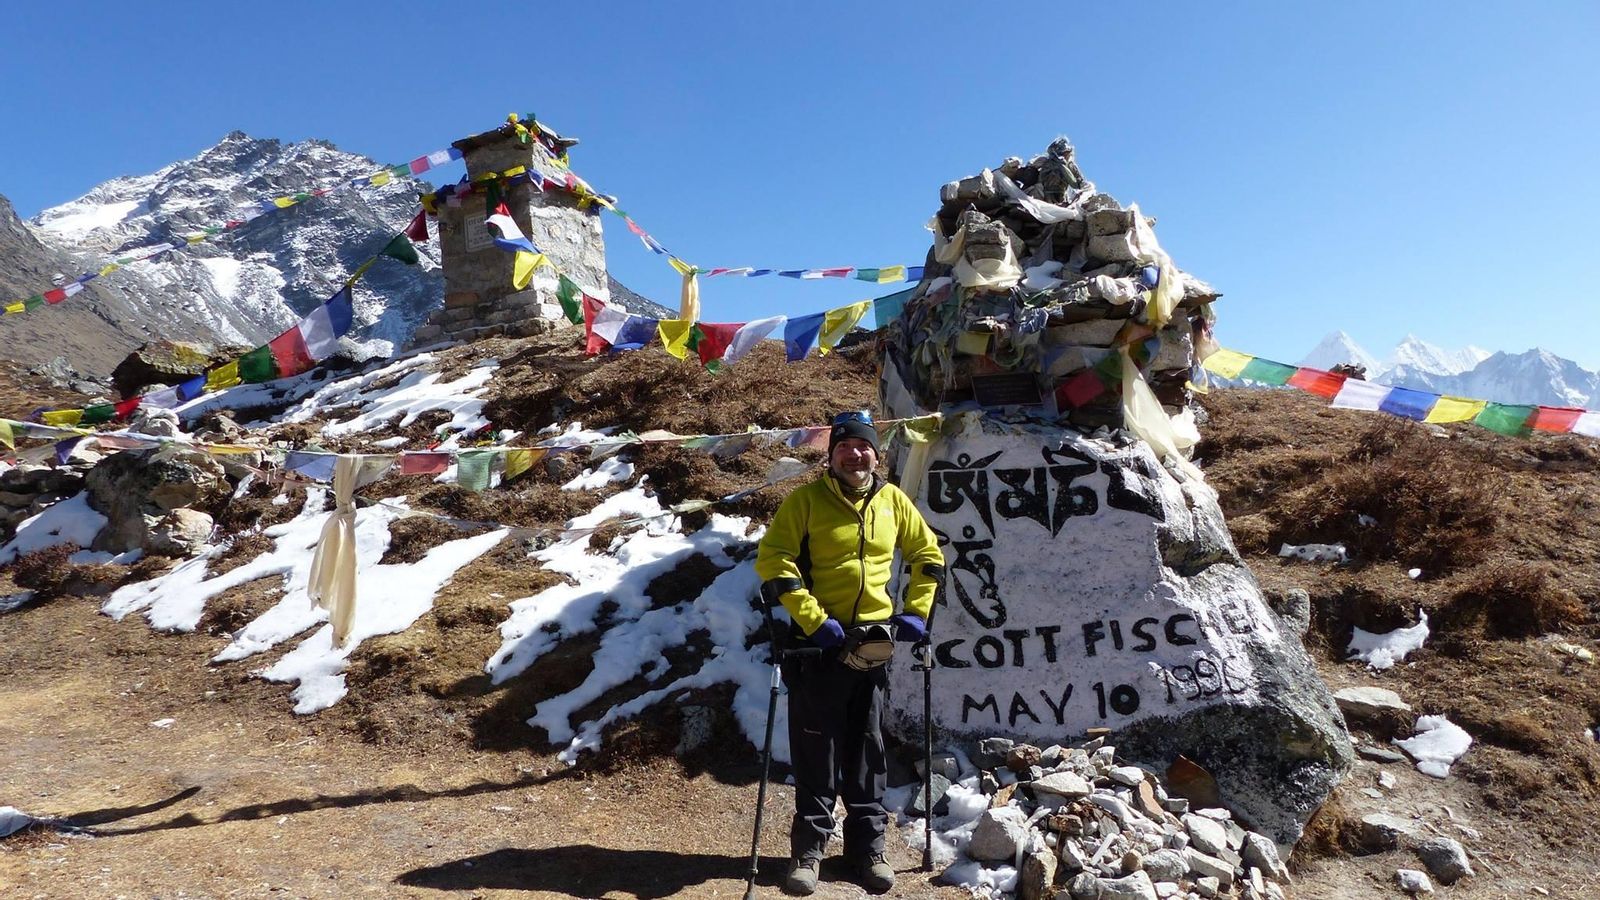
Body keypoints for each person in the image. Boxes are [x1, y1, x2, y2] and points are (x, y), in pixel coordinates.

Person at [756, 410, 945, 896]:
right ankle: (808, 851)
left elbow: (928, 556)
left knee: (867, 750)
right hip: (817, 647)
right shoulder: (805, 501)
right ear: (831, 455)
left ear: (875, 453)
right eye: (844, 447)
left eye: (863, 446)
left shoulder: (892, 501)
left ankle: (868, 850)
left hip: (872, 644)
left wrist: (917, 612)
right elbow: (773, 561)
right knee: (817, 748)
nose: (854, 454)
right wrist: (814, 620)